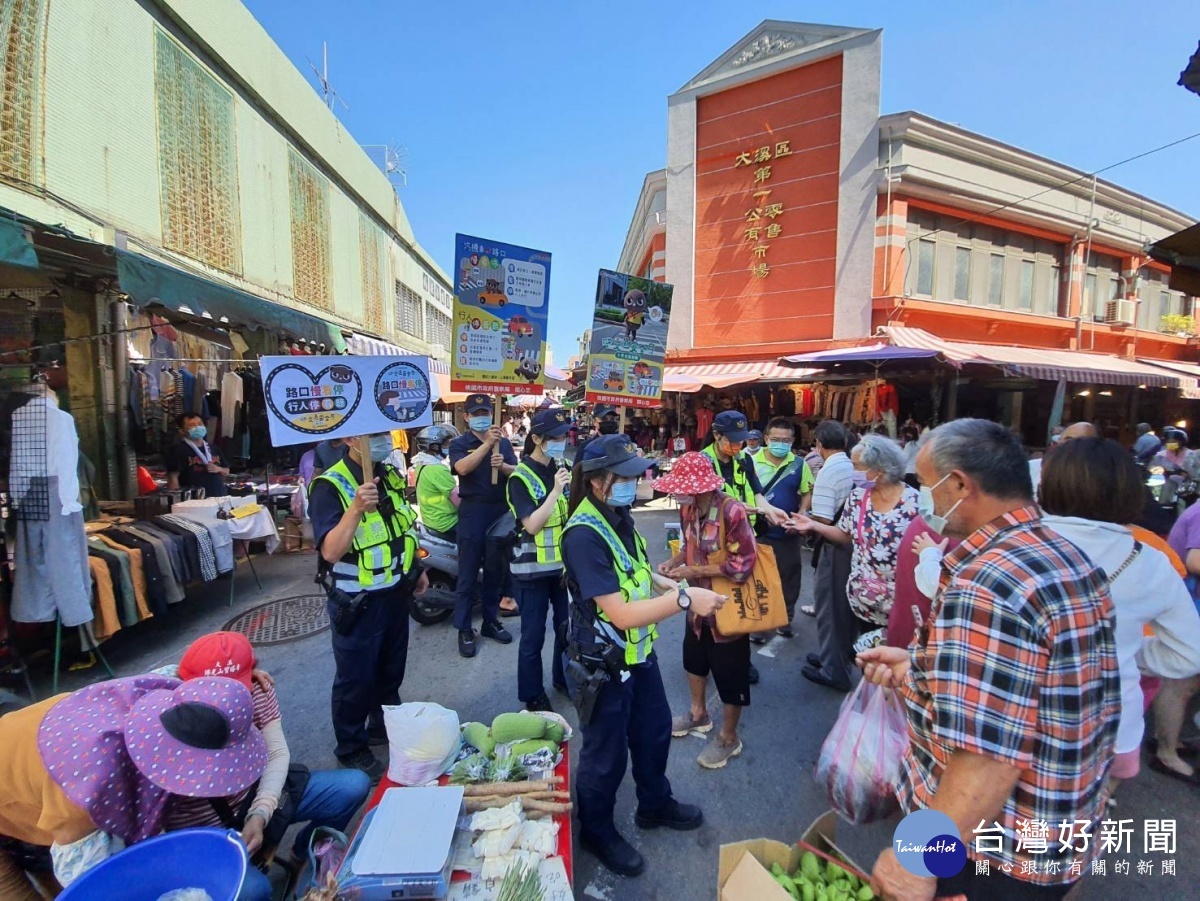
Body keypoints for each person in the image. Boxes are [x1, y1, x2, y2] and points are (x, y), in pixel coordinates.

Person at [858, 419, 1120, 901]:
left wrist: (916, 857)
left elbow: (986, 756)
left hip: (992, 855)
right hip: (1056, 834)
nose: (922, 498)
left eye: (925, 483)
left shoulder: (988, 584)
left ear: (959, 484)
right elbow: (1030, 687)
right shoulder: (1062, 555)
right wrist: (919, 664)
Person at [562, 434, 726, 878]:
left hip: (639, 656)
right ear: (597, 481)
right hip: (603, 663)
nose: (635, 483)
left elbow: (637, 574)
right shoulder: (582, 534)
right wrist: (688, 601)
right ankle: (596, 829)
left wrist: (673, 585)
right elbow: (619, 613)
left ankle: (654, 805)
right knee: (605, 755)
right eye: (626, 476)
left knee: (653, 734)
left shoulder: (618, 517)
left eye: (637, 475)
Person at [0, 675, 266, 900]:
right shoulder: (85, 790)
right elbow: (90, 883)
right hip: (21, 795)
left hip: (35, 754)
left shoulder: (162, 692)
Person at [1037, 438, 1200, 786]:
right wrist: (1123, 653)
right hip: (1112, 723)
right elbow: (1189, 652)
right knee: (1088, 818)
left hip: (1018, 720)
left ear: (1048, 484)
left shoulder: (1009, 543)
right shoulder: (1152, 561)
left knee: (1009, 827)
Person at [162, 632, 371, 901]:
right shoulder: (161, 718)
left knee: (353, 785)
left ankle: (303, 853)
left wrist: (259, 813)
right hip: (202, 833)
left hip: (254, 798)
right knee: (256, 890)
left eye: (234, 688)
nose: (226, 700)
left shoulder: (256, 689)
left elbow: (276, 754)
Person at [308, 432, 429, 778]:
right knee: (355, 678)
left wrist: (415, 569)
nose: (383, 441)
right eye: (373, 435)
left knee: (390, 670)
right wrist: (356, 508)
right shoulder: (329, 486)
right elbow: (330, 551)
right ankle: (351, 746)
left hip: (394, 591)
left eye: (384, 433)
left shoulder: (387, 475)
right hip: (357, 601)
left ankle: (383, 726)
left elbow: (400, 528)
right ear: (349, 438)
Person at [654, 453, 757, 769]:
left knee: (730, 674)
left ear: (704, 488)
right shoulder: (688, 509)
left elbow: (743, 565)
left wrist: (693, 570)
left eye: (686, 489)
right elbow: (689, 544)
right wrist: (675, 562)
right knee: (694, 661)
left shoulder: (732, 511)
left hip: (727, 608)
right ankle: (698, 714)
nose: (680, 495)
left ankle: (729, 737)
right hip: (695, 607)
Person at [789, 435, 919, 657]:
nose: (852, 471)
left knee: (890, 665)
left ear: (880, 469)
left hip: (898, 606)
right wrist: (813, 525)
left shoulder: (915, 503)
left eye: (857, 466)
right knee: (866, 660)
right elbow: (844, 534)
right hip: (861, 601)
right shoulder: (858, 497)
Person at [506, 409, 572, 712]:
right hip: (531, 572)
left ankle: (564, 678)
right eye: (555, 438)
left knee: (566, 627)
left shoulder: (564, 466)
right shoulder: (520, 478)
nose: (561, 442)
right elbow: (531, 524)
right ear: (536, 439)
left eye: (563, 437)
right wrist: (556, 491)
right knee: (532, 636)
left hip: (563, 568)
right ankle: (532, 695)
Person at [449, 394, 518, 657]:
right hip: (472, 512)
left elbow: (518, 472)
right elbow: (461, 469)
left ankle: (490, 621)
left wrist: (504, 467)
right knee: (467, 572)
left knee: (495, 571)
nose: (482, 416)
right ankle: (464, 628)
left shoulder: (504, 443)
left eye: (486, 412)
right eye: (476, 413)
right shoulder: (459, 443)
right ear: (466, 417)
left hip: (499, 511)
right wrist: (486, 444)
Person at [798, 421, 856, 688]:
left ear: (819, 443)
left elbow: (821, 516)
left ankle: (835, 671)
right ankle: (834, 657)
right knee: (842, 607)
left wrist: (801, 519)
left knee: (830, 606)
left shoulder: (828, 470)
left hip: (835, 544)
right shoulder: (850, 463)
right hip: (850, 544)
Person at [748, 418, 814, 640]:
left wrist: (803, 513)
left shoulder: (799, 464)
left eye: (785, 440)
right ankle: (758, 625)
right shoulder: (750, 462)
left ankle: (785, 619)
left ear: (792, 441)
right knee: (758, 579)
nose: (780, 443)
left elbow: (806, 492)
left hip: (788, 533)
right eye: (775, 439)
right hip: (758, 533)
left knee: (789, 577)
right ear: (766, 439)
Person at [165, 411, 229, 498]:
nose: (197, 427)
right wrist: (177, 499)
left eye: (200, 424)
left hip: (219, 496)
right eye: (192, 425)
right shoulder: (178, 450)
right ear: (182, 431)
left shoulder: (214, 448)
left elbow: (226, 471)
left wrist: (218, 469)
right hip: (193, 499)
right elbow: (173, 478)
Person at [413, 424, 461, 540]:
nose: (449, 447)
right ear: (434, 446)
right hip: (447, 523)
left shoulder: (421, 465)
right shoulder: (437, 469)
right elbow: (459, 502)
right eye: (446, 444)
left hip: (432, 520)